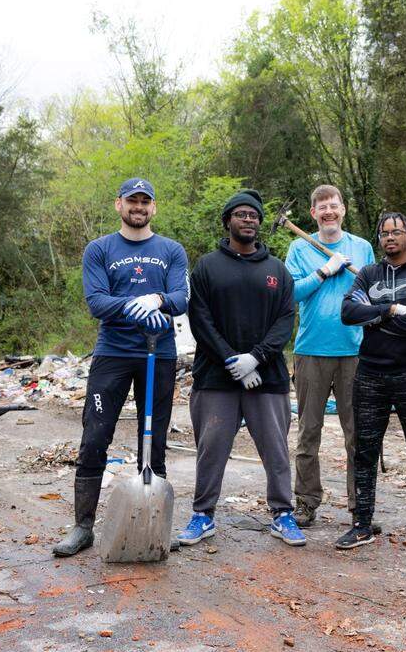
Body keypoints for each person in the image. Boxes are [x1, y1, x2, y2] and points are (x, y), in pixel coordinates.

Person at [54, 178, 189, 557]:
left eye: (146, 201)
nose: (139, 207)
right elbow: (97, 301)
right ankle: (83, 527)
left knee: (155, 439)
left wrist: (158, 298)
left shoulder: (171, 250)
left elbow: (181, 298)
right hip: (112, 354)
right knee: (95, 437)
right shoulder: (99, 249)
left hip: (158, 354)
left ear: (154, 208)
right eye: (133, 200)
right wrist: (135, 305)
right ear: (119, 205)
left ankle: (154, 523)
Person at [177, 188, 306, 547]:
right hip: (216, 378)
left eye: (254, 216)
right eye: (241, 214)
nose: (248, 220)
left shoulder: (276, 270)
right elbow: (199, 320)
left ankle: (283, 514)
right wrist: (233, 360)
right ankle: (203, 516)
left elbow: (285, 320)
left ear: (259, 223)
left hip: (268, 378)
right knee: (211, 447)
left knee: (276, 450)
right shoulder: (206, 267)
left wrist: (256, 358)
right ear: (228, 221)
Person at [337, 212, 406, 558]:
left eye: (396, 232)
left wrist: (375, 312)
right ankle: (362, 523)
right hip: (369, 374)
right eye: (384, 233)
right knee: (364, 451)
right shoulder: (368, 273)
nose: (390, 238)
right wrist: (392, 308)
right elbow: (348, 313)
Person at [284, 185, 375, 528]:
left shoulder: (362, 247)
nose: (328, 212)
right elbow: (291, 293)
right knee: (309, 432)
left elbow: (373, 293)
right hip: (310, 351)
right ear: (313, 214)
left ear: (343, 209)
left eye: (333, 206)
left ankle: (360, 506)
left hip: (355, 351)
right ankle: (306, 503)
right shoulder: (299, 247)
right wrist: (324, 271)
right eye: (321, 207)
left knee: (359, 434)